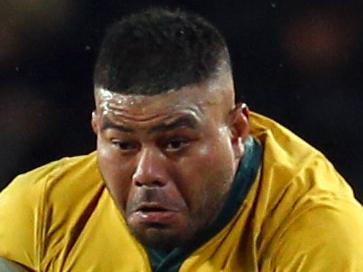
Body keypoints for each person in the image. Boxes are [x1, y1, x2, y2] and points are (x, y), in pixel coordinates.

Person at [0, 8, 363, 272]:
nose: (147, 173)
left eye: (175, 143)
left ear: (237, 130)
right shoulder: (41, 208)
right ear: (97, 130)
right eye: (123, 144)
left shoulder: (322, 233)